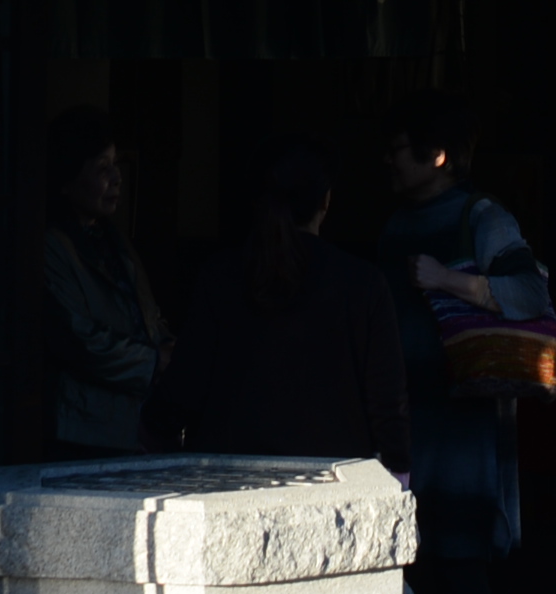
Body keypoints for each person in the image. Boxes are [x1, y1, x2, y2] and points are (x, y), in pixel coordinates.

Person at [379, 95, 546, 594]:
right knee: (404, 569)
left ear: (436, 156)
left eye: (399, 148)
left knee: (459, 567)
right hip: (402, 416)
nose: (388, 160)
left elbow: (530, 293)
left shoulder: (483, 217)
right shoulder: (393, 224)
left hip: (461, 420)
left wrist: (448, 279)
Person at [143, 144, 410, 467]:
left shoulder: (221, 275)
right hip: (334, 484)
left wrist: (154, 430)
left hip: (227, 479)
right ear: (325, 201)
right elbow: (387, 403)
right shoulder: (363, 283)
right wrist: (398, 469)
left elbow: (185, 385)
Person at [33, 108, 166, 457]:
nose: (117, 178)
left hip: (129, 424)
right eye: (102, 168)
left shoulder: (113, 239)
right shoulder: (51, 246)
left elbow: (147, 316)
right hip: (81, 428)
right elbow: (78, 339)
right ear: (67, 178)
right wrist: (155, 363)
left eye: (116, 165)